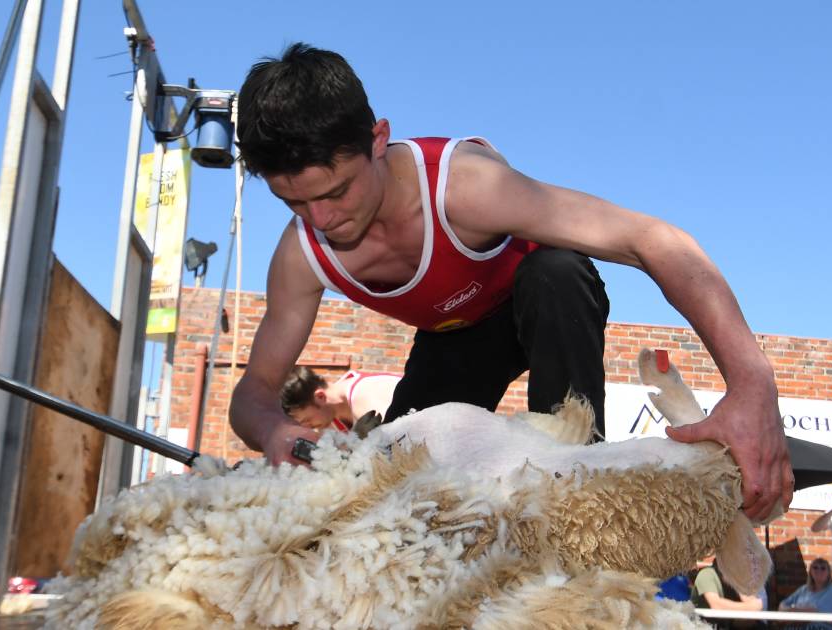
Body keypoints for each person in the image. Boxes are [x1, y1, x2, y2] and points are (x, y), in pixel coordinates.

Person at [227, 43, 791, 522]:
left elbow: (657, 241)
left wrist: (752, 386)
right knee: (389, 494)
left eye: (335, 191)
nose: (323, 220)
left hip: (543, 303)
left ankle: (576, 483)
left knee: (555, 271)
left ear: (378, 140)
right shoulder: (302, 254)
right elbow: (252, 392)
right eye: (294, 202)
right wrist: (272, 430)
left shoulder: (465, 187)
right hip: (455, 342)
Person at [279, 366, 400, 432]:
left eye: (307, 420)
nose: (307, 426)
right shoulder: (330, 419)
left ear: (320, 397)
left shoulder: (365, 395)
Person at [692, 560, 766, 629]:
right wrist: (749, 606)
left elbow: (755, 607)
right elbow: (717, 605)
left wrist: (737, 584)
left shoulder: (734, 577)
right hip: (702, 626)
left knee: (759, 626)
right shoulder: (706, 574)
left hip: (723, 625)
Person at [778, 557, 832, 630]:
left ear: (828, 572)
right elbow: (782, 605)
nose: (819, 570)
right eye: (815, 567)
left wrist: (791, 611)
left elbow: (814, 612)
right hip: (798, 625)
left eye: (823, 568)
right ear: (810, 571)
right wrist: (794, 611)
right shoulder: (804, 589)